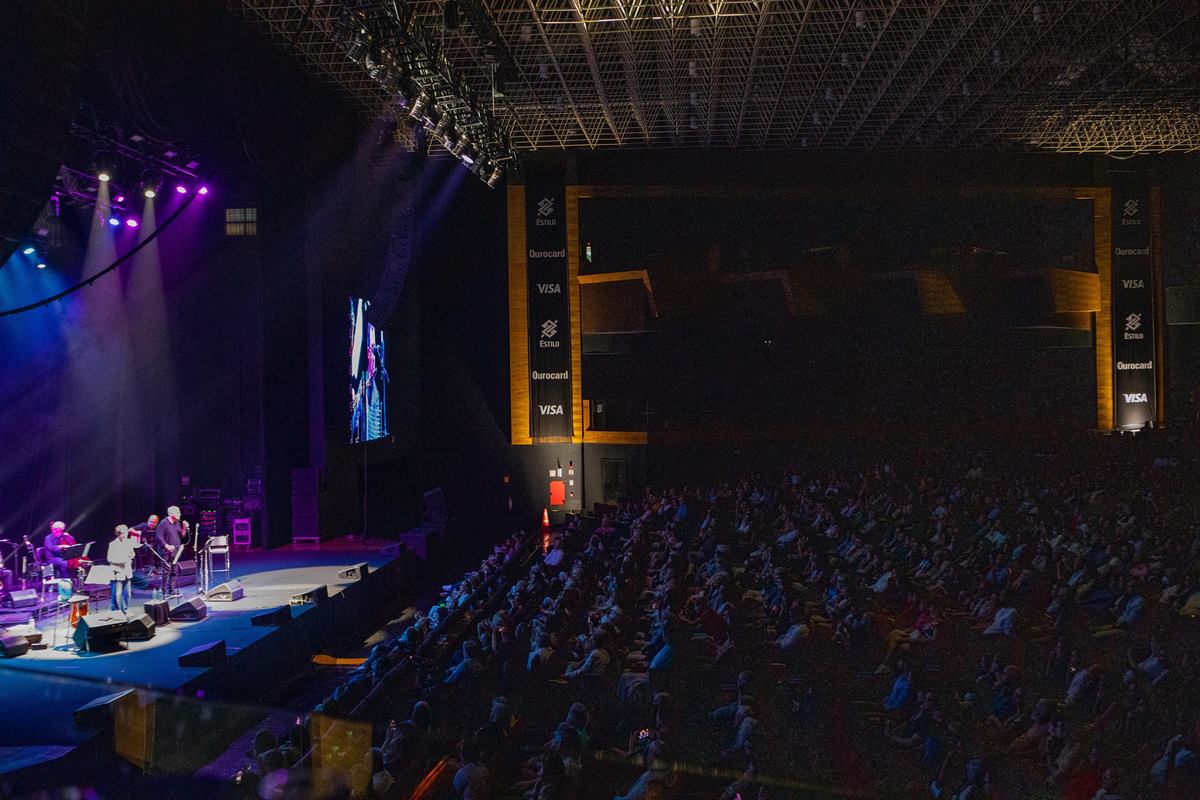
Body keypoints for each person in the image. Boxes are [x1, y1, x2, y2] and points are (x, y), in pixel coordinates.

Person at [155, 506, 188, 595]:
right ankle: (164, 591)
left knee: (174, 571)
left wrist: (184, 528)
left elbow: (182, 535)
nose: (180, 514)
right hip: (166, 552)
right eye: (178, 512)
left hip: (176, 551)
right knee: (166, 571)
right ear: (171, 514)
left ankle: (172, 590)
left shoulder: (177, 523)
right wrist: (166, 545)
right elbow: (158, 536)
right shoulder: (163, 523)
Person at [106, 524, 138, 614]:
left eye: (127, 532)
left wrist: (131, 555)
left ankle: (125, 609)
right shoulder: (112, 544)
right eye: (124, 533)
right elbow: (109, 559)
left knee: (127, 593)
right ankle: (118, 612)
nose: (126, 534)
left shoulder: (128, 542)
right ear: (118, 534)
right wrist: (122, 561)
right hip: (118, 572)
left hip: (127, 571)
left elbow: (132, 554)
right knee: (117, 594)